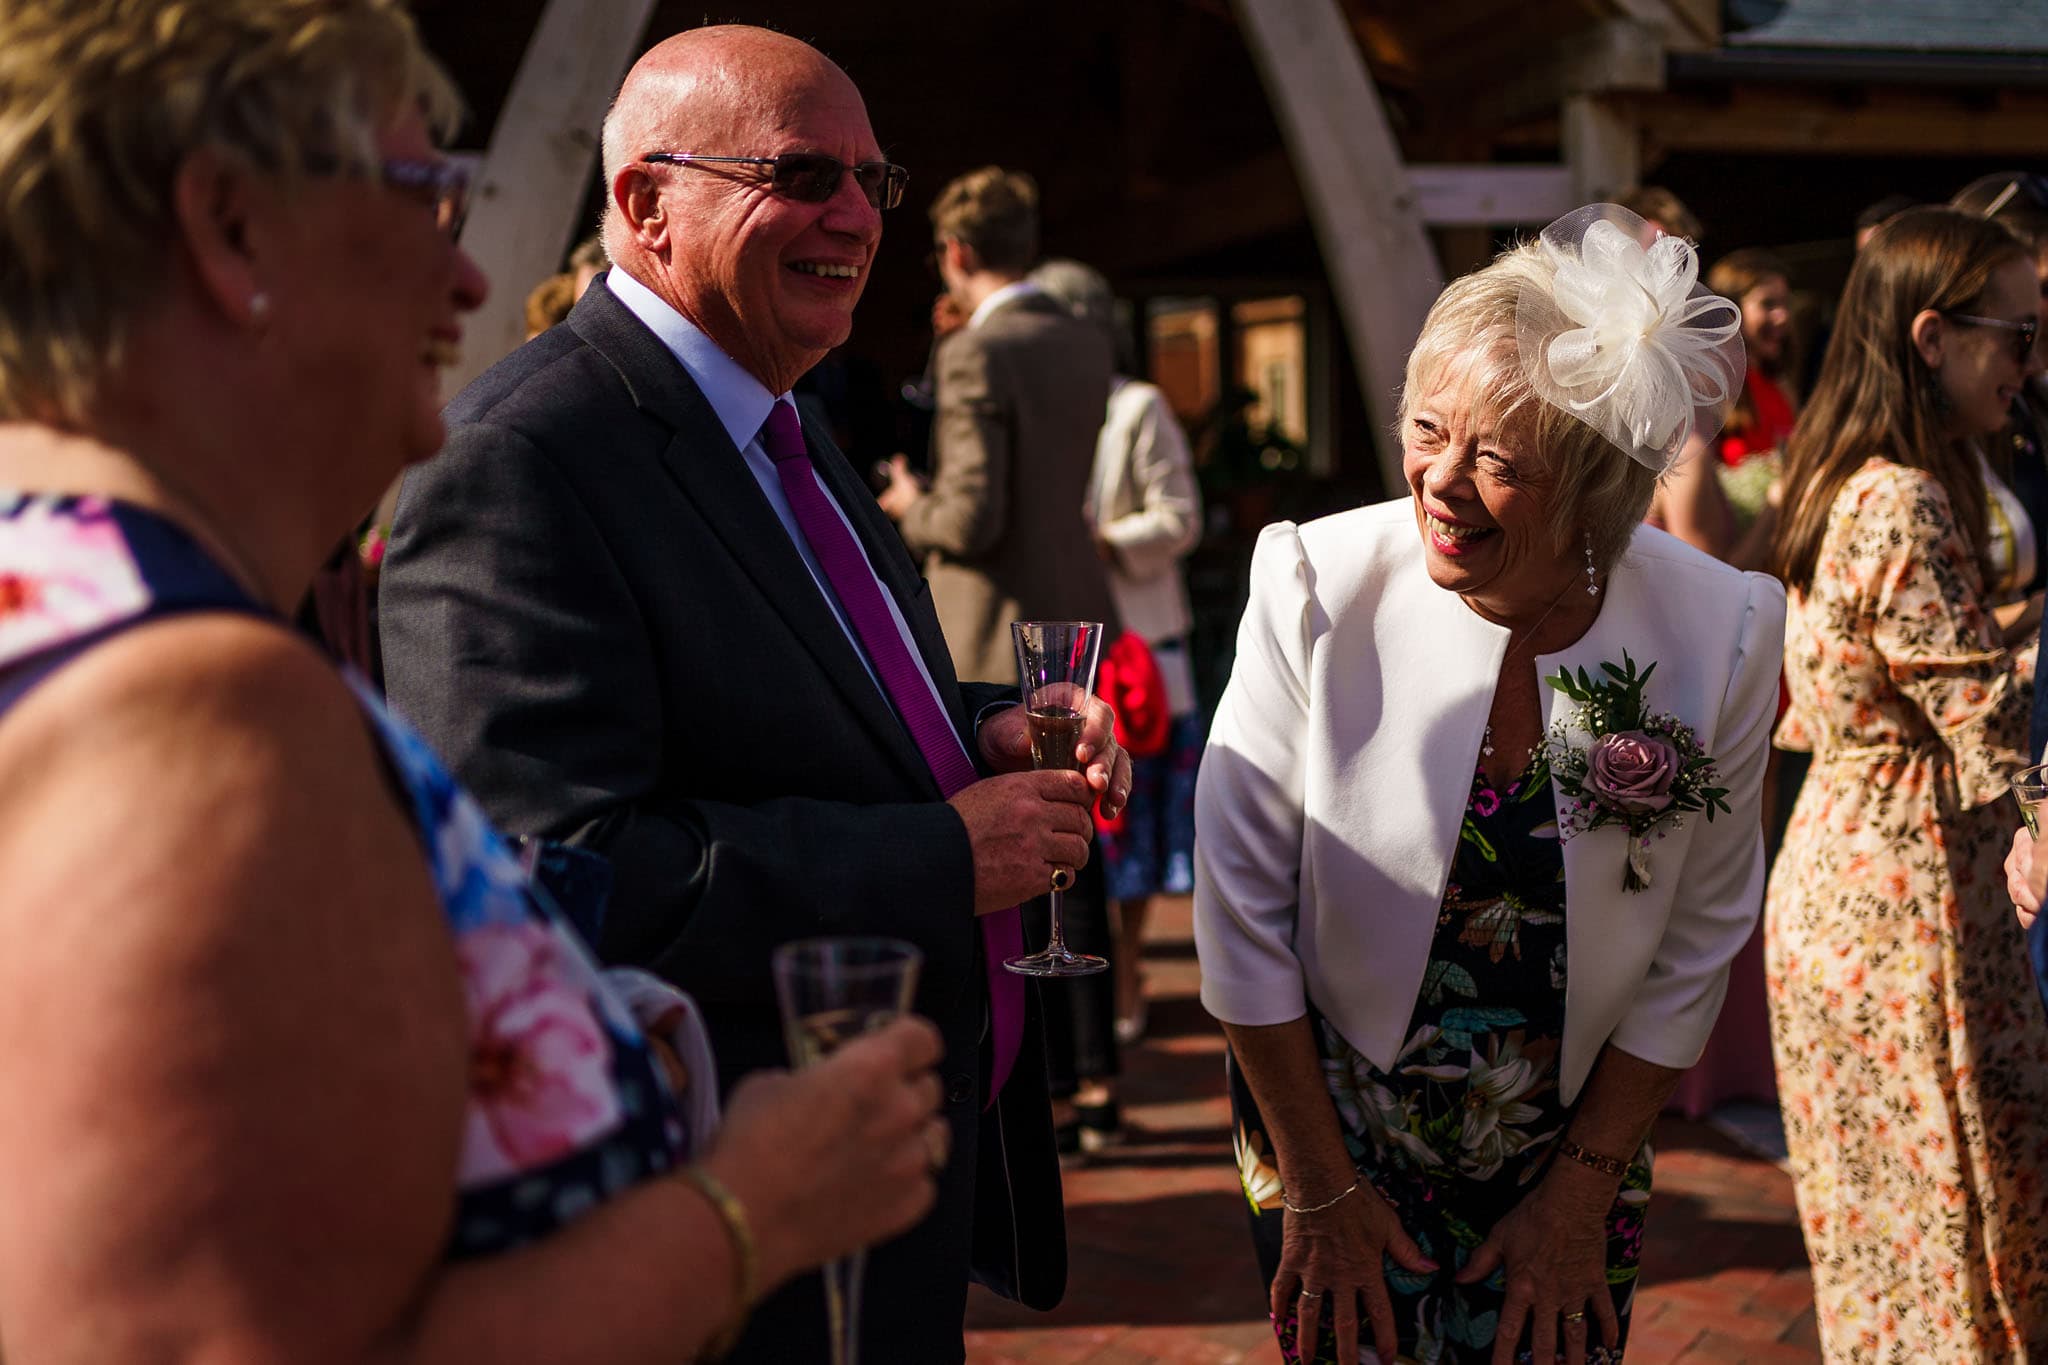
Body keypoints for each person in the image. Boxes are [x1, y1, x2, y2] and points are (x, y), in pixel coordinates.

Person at [0, 3, 949, 1363]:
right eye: (419, 190)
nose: (462, 277)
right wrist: (750, 1208)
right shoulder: (193, 712)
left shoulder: (65, 598)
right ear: (230, 229)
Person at [378, 27, 1130, 1363]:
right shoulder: (523, 459)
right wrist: (936, 854)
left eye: (871, 180)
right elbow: (556, 869)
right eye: (798, 173)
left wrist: (974, 731)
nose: (852, 214)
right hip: (726, 1234)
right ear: (645, 205)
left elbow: (804, 688)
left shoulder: (779, 408)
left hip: (878, 1185)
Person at [1195, 204, 1783, 1365]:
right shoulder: (1312, 580)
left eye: (1499, 462)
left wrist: (1578, 1193)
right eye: (1426, 431)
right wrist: (1314, 1185)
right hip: (1325, 1115)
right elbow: (1237, 911)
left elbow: (1699, 932)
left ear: (1596, 490)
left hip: (1577, 1138)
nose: (1441, 484)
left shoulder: (1721, 625)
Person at [1766, 206, 2048, 1359]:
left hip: (1838, 881)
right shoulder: (1903, 496)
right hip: (1909, 901)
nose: (2029, 366)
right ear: (1930, 337)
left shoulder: (1838, 474)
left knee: (1879, 1244)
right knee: (1958, 1233)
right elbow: (1977, 713)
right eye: (2017, 337)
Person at [1029, 257, 1204, 1052]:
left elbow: (1180, 518)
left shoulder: (1138, 406)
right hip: (1070, 650)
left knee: (1136, 821)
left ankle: (1130, 970)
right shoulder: (1039, 405)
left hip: (1138, 646)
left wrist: (1097, 540)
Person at [877, 166, 1118, 684]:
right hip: (1080, 620)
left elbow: (970, 521)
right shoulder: (1086, 341)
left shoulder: (977, 351)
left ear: (956, 252)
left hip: (995, 637)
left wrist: (911, 505)